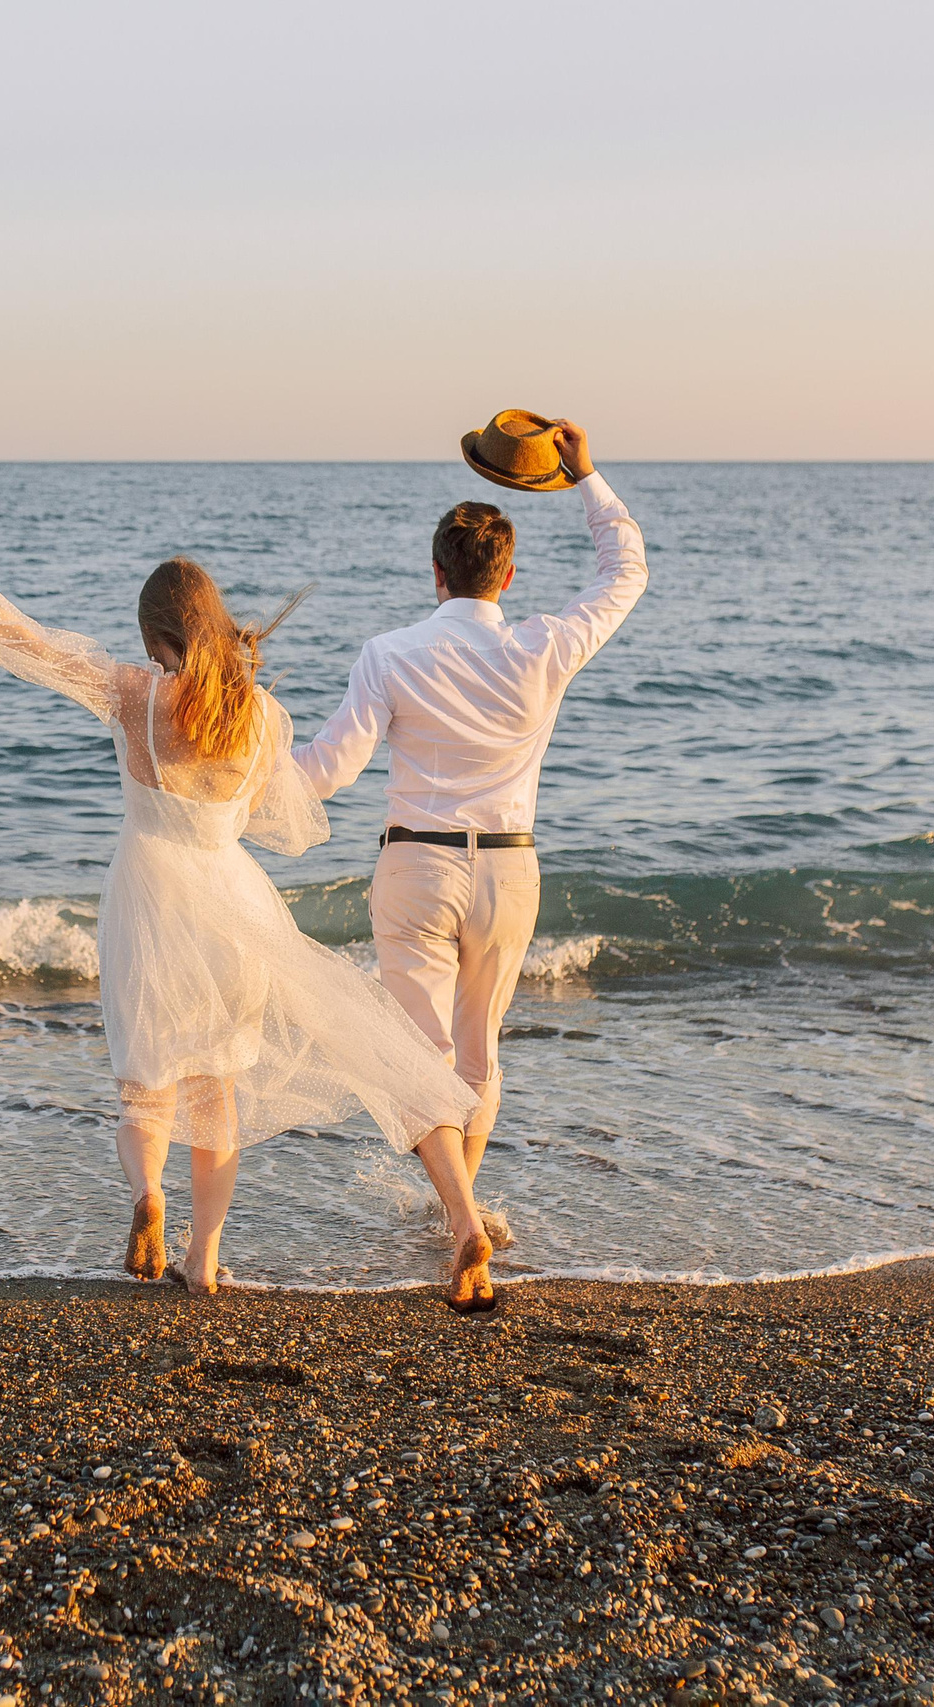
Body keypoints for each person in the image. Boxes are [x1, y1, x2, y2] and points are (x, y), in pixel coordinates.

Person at [0, 533, 500, 1310]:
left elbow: (28, 645)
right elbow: (288, 820)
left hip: (147, 895)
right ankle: (213, 1256)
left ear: (158, 637)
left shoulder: (134, 694)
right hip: (232, 900)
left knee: (146, 1086)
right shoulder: (258, 715)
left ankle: (149, 1195)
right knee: (229, 1088)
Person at [294, 415, 648, 1255]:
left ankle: (457, 1218)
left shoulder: (389, 653)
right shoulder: (543, 647)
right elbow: (627, 570)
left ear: (435, 574)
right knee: (477, 1054)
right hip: (509, 872)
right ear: (510, 575)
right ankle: (462, 1210)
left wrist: (241, 775)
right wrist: (586, 475)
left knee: (417, 1058)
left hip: (417, 864)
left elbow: (327, 769)